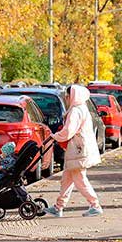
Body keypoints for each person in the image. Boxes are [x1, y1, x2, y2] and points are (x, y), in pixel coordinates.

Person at [44, 85, 103, 217]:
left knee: (80, 179)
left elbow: (69, 130)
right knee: (67, 179)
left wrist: (55, 136)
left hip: (78, 150)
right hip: (79, 148)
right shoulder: (82, 108)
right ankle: (59, 206)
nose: (66, 97)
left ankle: (95, 205)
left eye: (68, 95)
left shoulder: (76, 111)